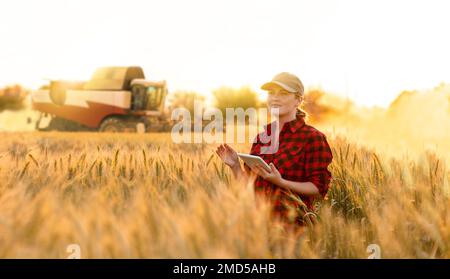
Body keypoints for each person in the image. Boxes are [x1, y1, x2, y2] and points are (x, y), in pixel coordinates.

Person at [216, 72, 333, 227]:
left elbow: (318, 188)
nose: (275, 98)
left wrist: (281, 182)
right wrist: (235, 166)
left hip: (293, 227)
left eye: (283, 93)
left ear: (298, 100)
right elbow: (250, 187)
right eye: (271, 93)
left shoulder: (312, 138)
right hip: (257, 226)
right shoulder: (261, 138)